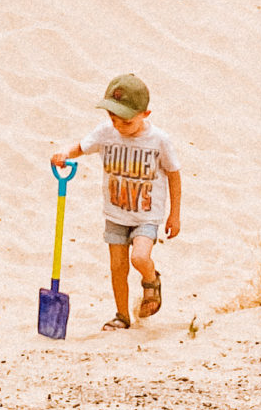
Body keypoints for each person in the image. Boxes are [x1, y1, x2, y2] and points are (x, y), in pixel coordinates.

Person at [50, 72, 181, 331]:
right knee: (118, 268)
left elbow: (174, 176)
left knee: (139, 258)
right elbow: (82, 146)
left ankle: (151, 281)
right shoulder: (106, 132)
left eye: (127, 121)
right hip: (115, 214)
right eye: (113, 119)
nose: (119, 126)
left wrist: (174, 214)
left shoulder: (159, 141)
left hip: (146, 215)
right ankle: (122, 316)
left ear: (146, 114)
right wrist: (65, 153)